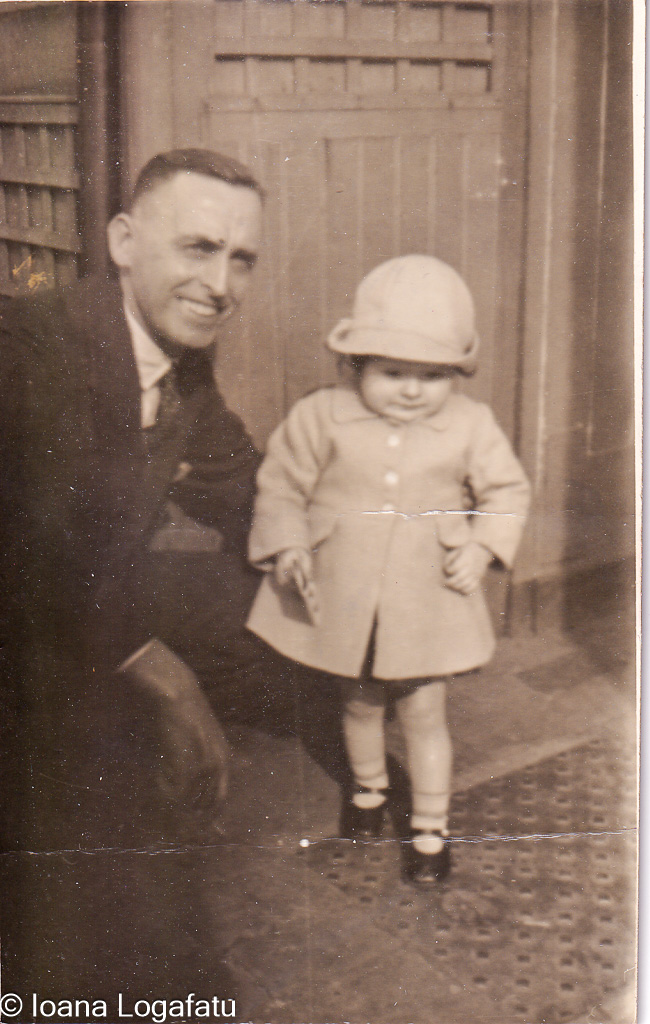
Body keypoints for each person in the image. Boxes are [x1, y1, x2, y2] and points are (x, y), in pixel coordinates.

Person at [0, 149, 265, 1002]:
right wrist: (170, 683)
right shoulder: (31, 352)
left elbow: (240, 483)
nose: (221, 282)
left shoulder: (176, 354)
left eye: (241, 259)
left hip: (63, 647)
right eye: (197, 248)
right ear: (122, 240)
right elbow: (32, 558)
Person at [246, 255, 531, 886]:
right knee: (360, 704)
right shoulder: (322, 415)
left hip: (425, 598)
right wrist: (289, 544)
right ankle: (369, 793)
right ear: (355, 365)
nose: (410, 389)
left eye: (432, 376)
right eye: (392, 371)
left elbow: (507, 491)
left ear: (456, 373)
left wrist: (482, 545)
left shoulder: (469, 424)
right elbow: (282, 485)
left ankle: (430, 828)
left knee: (426, 714)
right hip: (348, 595)